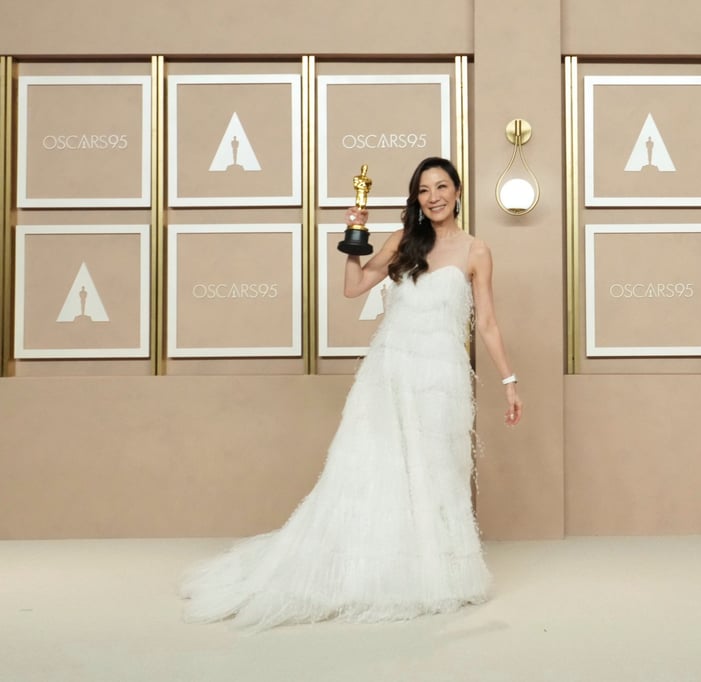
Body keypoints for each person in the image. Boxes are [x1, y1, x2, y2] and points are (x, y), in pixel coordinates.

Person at [181, 156, 522, 630]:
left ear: (458, 191)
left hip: (441, 379)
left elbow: (485, 322)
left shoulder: (476, 250)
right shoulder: (404, 241)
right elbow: (353, 286)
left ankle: (437, 571)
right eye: (424, 190)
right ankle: (374, 569)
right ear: (416, 199)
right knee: (373, 467)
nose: (434, 196)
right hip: (389, 370)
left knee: (436, 472)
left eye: (442, 186)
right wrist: (353, 240)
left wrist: (508, 381)